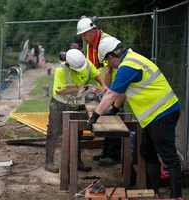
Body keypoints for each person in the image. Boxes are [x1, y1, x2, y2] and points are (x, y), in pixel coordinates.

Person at [87, 36, 182, 198]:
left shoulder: (127, 66)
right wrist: (114, 110)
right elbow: (124, 90)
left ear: (111, 57)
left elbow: (111, 94)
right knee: (147, 151)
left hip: (162, 113)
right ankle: (153, 192)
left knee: (169, 156)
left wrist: (95, 116)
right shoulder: (132, 59)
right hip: (155, 116)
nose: (108, 65)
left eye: (106, 62)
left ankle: (176, 196)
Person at [45, 49, 108, 173]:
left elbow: (96, 75)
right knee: (54, 132)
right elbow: (59, 91)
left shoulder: (86, 64)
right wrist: (78, 89)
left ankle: (77, 161)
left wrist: (104, 85)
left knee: (78, 132)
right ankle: (49, 162)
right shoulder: (61, 70)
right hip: (60, 103)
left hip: (78, 102)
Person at [76, 17, 123, 166]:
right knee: (106, 117)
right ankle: (106, 151)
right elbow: (94, 69)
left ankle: (114, 155)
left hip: (115, 86)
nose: (83, 38)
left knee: (113, 118)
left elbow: (108, 70)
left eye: (84, 35)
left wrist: (105, 94)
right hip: (107, 87)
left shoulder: (105, 43)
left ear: (92, 31)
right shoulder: (91, 44)